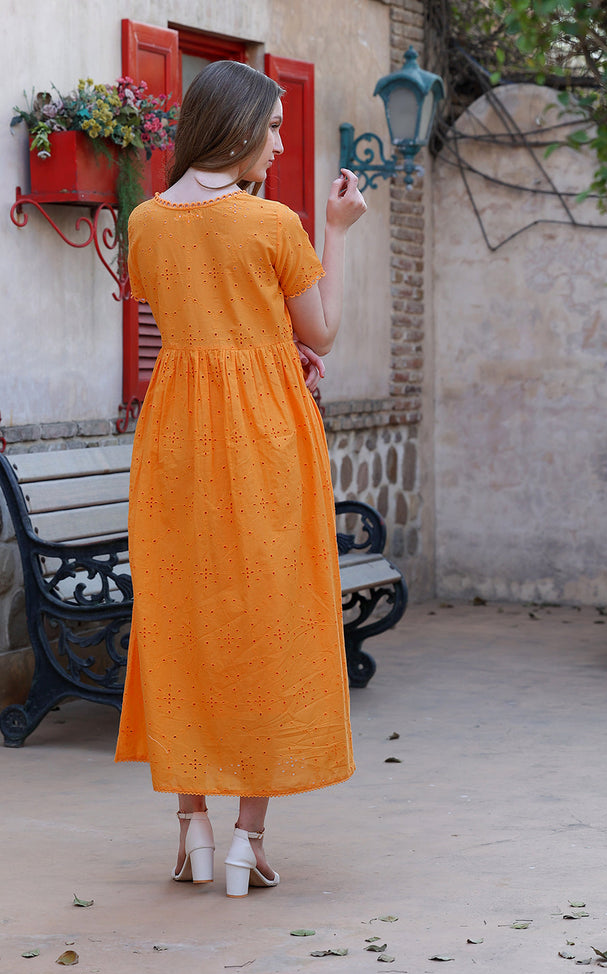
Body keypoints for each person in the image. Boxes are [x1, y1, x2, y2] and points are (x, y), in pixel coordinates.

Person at [115, 59, 367, 897]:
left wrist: (259, 340)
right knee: (272, 617)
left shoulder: (146, 220)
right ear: (240, 132)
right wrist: (338, 227)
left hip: (176, 433)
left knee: (182, 612)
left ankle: (191, 822)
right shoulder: (272, 222)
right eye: (275, 127)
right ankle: (244, 842)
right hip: (264, 435)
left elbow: (190, 313)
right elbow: (322, 333)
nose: (282, 141)